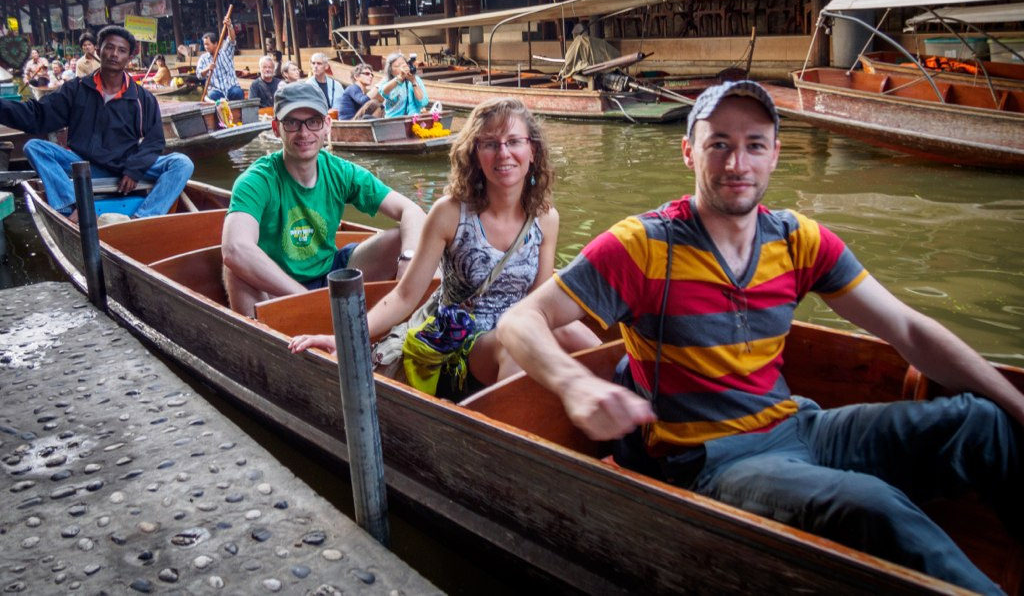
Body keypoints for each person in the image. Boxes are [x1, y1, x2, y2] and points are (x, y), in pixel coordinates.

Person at [496, 80, 1024, 594]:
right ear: (689, 152)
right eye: (718, 145)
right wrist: (574, 385)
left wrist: (1017, 403)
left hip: (799, 425)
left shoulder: (798, 240)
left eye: (753, 146)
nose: (736, 164)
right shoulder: (644, 245)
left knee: (983, 423)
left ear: (774, 154)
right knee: (874, 506)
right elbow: (520, 321)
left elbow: (909, 329)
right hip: (711, 461)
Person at [290, 97, 600, 398]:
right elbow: (405, 295)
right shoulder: (450, 213)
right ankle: (504, 437)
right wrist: (344, 339)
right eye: (490, 144)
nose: (504, 153)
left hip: (520, 327)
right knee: (517, 345)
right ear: (475, 155)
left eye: (514, 141)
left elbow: (541, 300)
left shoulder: (545, 219)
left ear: (532, 150)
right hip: (463, 340)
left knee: (578, 336)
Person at [221, 80, 426, 317]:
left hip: (331, 275)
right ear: (276, 128)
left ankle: (394, 319)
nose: (304, 132)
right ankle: (260, 343)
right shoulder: (257, 180)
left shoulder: (341, 172)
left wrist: (408, 260)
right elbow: (234, 249)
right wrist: (308, 300)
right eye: (292, 123)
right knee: (234, 268)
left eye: (314, 121)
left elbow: (411, 210)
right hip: (274, 288)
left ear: (327, 124)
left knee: (404, 237)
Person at [1, 25, 194, 223]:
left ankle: (142, 217)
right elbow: (38, 115)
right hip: (83, 165)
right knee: (34, 147)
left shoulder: (142, 98)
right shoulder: (76, 89)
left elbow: (154, 141)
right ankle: (74, 208)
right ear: (98, 50)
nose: (114, 54)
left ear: (128, 58)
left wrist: (134, 170)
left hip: (125, 164)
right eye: (109, 48)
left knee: (182, 163)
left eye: (121, 50)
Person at [197, 16, 243, 101]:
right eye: (204, 44)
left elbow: (232, 40)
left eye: (208, 44)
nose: (205, 47)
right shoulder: (203, 58)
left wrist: (229, 26)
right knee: (212, 95)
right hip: (216, 91)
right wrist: (208, 69)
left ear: (215, 44)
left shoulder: (225, 52)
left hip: (231, 87)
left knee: (237, 92)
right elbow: (199, 75)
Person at [377, 52, 428, 118]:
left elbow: (423, 103)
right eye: (397, 66)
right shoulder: (387, 81)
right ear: (390, 70)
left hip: (413, 121)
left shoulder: (416, 79)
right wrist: (399, 78)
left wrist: (413, 81)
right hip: (394, 121)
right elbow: (383, 92)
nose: (402, 67)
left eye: (404, 64)